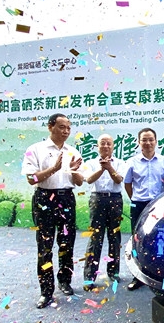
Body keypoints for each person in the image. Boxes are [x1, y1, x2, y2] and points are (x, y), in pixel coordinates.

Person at [21, 113, 84, 309]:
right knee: (45, 246)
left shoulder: (73, 151)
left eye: (68, 128)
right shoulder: (35, 149)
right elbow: (31, 179)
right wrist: (54, 169)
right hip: (44, 200)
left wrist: (73, 170)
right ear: (50, 127)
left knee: (67, 243)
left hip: (66, 199)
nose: (66, 131)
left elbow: (79, 182)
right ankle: (46, 291)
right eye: (62, 127)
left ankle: (65, 281)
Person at [124, 127, 164, 291]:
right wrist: (136, 198)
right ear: (138, 142)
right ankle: (138, 276)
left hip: (159, 205)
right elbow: (128, 184)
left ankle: (160, 274)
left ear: (156, 142)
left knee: (160, 239)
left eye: (151, 139)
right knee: (138, 240)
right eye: (144, 140)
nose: (148, 143)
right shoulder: (132, 162)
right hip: (139, 205)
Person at [82, 134, 128, 291]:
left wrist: (109, 167)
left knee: (114, 237)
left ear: (113, 146)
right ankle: (89, 277)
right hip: (97, 199)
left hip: (115, 199)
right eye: (103, 143)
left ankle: (113, 272)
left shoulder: (120, 163)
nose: (106, 146)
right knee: (95, 237)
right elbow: (89, 180)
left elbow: (119, 180)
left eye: (109, 143)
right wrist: (102, 168)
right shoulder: (91, 163)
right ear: (97, 146)